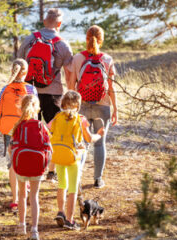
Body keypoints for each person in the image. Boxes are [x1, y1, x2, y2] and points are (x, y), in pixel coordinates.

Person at [18, 8, 74, 182]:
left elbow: (20, 63)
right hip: (53, 94)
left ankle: (29, 169)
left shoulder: (29, 39)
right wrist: (70, 93)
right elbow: (69, 71)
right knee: (55, 132)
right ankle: (51, 173)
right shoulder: (63, 44)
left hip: (31, 92)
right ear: (59, 24)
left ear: (44, 22)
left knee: (29, 130)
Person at [67, 25, 118, 189]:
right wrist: (115, 108)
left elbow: (71, 84)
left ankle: (77, 179)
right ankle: (98, 179)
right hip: (102, 106)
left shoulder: (77, 58)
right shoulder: (108, 59)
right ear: (101, 40)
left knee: (81, 143)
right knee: (99, 143)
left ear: (86, 39)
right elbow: (111, 87)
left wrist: (71, 107)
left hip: (81, 105)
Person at [49, 90, 104, 230]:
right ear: (78, 106)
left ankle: (60, 212)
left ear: (62, 103)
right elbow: (89, 138)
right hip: (73, 157)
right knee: (72, 189)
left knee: (62, 185)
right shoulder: (81, 118)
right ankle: (69, 220)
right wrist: (99, 134)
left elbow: (47, 129)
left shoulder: (57, 116)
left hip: (58, 154)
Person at [0, 59, 39, 212]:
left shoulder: (5, 88)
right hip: (26, 128)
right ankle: (25, 186)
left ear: (11, 71)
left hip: (9, 129)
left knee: (13, 164)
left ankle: (15, 200)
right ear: (26, 72)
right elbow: (36, 111)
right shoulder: (31, 89)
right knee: (26, 157)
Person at [10, 95, 51, 240]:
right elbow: (49, 148)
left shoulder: (18, 125)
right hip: (37, 166)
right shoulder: (41, 126)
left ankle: (21, 226)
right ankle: (34, 231)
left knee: (22, 195)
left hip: (21, 166)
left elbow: (11, 148)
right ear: (37, 108)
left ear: (22, 108)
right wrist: (45, 166)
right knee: (34, 197)